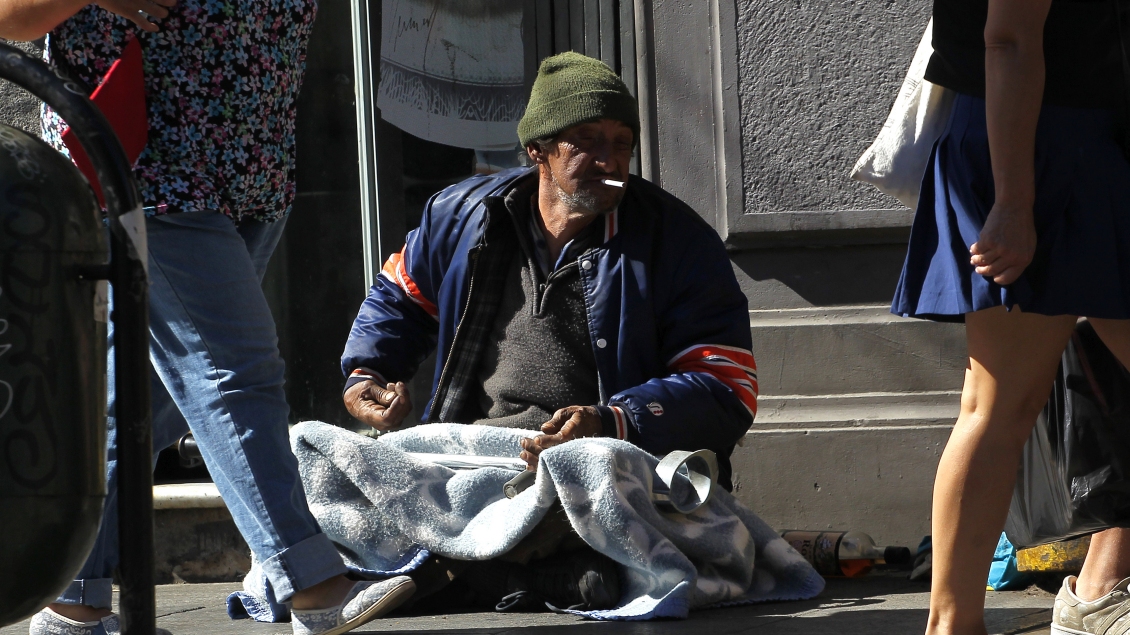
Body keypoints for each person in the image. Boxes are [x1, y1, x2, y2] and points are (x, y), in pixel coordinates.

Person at [0, 3, 416, 635]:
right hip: (146, 172)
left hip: (250, 168)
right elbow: (11, 16)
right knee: (232, 373)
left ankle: (72, 603)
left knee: (145, 395)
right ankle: (311, 584)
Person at [340, 51, 758, 610]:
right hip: (475, 452)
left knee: (579, 487)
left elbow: (726, 386)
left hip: (597, 462)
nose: (609, 159)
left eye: (621, 143)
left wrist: (615, 419)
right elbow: (399, 295)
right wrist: (369, 372)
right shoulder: (461, 215)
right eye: (586, 140)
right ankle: (523, 574)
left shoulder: (678, 242)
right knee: (324, 467)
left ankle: (451, 571)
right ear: (537, 149)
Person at [890, 1, 1130, 634]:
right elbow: (1009, 40)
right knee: (996, 407)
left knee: (995, 407)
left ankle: (954, 625)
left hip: (1055, 141)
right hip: (1041, 148)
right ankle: (953, 625)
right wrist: (1015, 202)